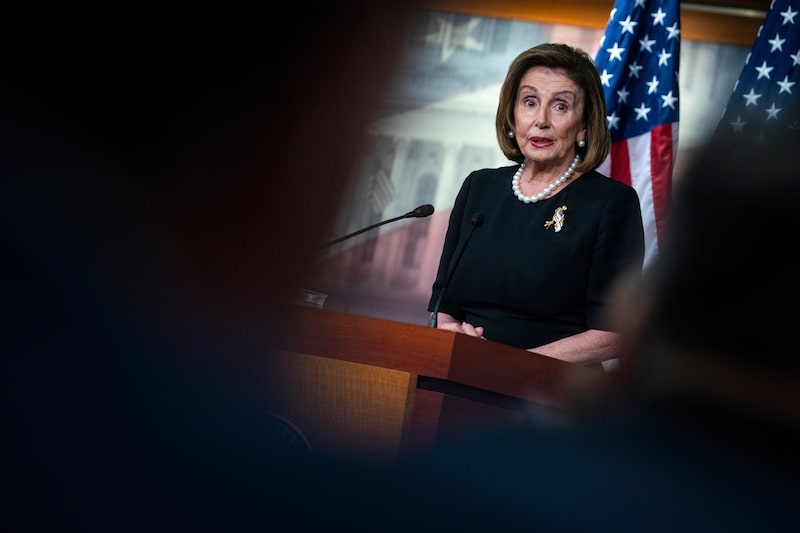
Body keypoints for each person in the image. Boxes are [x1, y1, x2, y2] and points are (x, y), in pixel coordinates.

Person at [428, 43, 644, 365]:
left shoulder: (611, 203)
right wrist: (451, 336)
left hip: (547, 394)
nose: (541, 120)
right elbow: (445, 301)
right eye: (530, 102)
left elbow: (611, 334)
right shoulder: (480, 186)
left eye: (560, 106)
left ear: (584, 124)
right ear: (512, 115)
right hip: (459, 371)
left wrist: (511, 366)